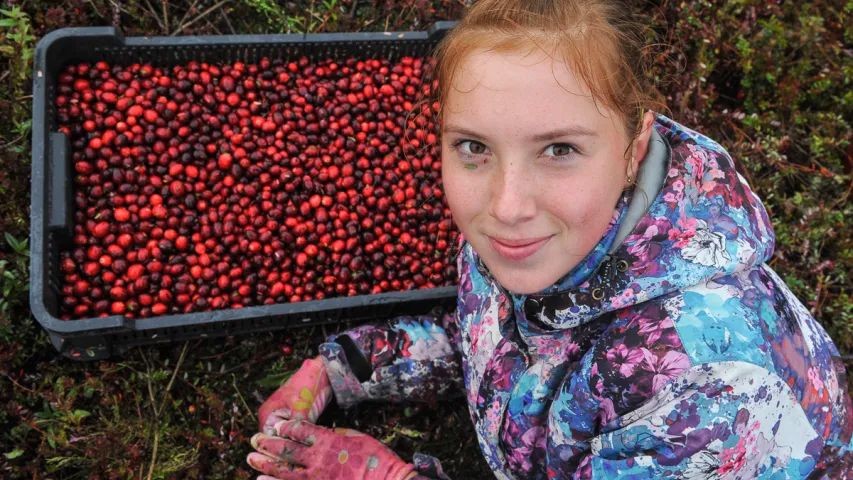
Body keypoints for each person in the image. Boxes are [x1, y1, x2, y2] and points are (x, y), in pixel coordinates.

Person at [245, 0, 853, 478]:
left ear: (633, 145)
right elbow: (495, 337)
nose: (507, 207)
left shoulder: (705, 384)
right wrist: (341, 367)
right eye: (474, 148)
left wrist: (384, 477)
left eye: (559, 150)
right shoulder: (545, 238)